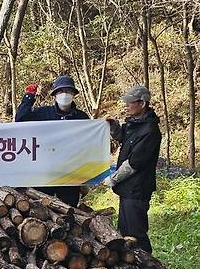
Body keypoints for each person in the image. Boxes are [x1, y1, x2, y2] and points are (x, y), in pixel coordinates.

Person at [15, 75, 90, 206]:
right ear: (54, 95)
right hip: (44, 173)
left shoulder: (82, 117)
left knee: (69, 209)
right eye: (61, 92)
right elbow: (20, 120)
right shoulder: (43, 113)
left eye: (68, 91)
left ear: (74, 94)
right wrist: (28, 97)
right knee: (42, 209)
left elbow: (89, 143)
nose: (64, 95)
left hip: (70, 174)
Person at [104, 86, 161, 253]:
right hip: (127, 189)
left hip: (138, 189)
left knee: (136, 232)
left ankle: (149, 268)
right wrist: (113, 126)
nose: (126, 106)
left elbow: (134, 163)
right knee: (125, 230)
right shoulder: (133, 123)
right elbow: (123, 138)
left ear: (142, 103)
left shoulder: (150, 130)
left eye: (130, 103)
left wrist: (113, 178)